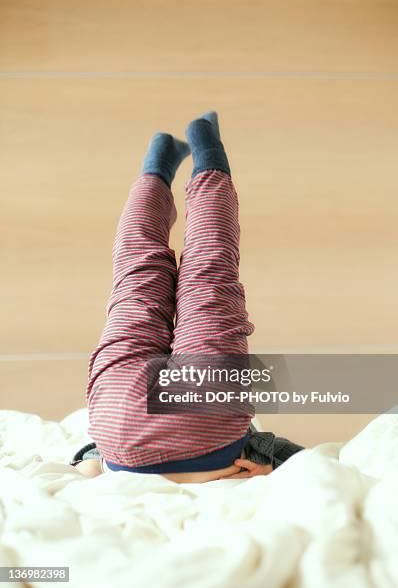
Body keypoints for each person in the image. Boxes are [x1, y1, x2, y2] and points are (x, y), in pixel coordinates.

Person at [71, 111, 302, 482]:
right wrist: (94, 458)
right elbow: (87, 457)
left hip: (204, 426)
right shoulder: (103, 454)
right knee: (135, 270)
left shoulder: (249, 441)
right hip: (118, 420)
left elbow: (298, 458)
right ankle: (156, 166)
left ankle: (207, 148)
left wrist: (271, 462)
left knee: (210, 268)